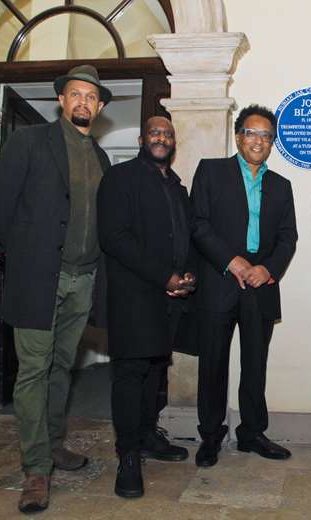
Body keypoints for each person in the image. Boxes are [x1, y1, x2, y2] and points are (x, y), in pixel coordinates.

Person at [0, 65, 111, 514]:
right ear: (61, 100)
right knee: (34, 371)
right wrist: (27, 254)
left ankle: (54, 445)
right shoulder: (30, 142)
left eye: (91, 97)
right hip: (39, 278)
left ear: (98, 106)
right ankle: (36, 468)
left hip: (84, 279)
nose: (83, 103)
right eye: (75, 94)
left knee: (62, 367)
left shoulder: (100, 156)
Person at [190, 104, 298, 467]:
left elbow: (288, 238)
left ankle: (252, 433)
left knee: (255, 363)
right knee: (214, 363)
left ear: (272, 144)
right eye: (252, 133)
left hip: (260, 286)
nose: (259, 141)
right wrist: (231, 261)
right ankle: (210, 435)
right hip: (219, 281)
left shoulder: (281, 186)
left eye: (267, 136)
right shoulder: (211, 171)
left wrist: (266, 269)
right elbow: (199, 225)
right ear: (239, 136)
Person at [97, 116, 195, 498]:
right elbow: (114, 237)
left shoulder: (176, 186)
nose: (161, 138)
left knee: (156, 369)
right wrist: (164, 276)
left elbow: (184, 237)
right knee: (131, 373)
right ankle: (128, 456)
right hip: (133, 296)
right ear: (142, 139)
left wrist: (185, 276)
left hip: (170, 298)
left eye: (168, 134)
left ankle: (148, 435)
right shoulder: (120, 179)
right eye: (155, 132)